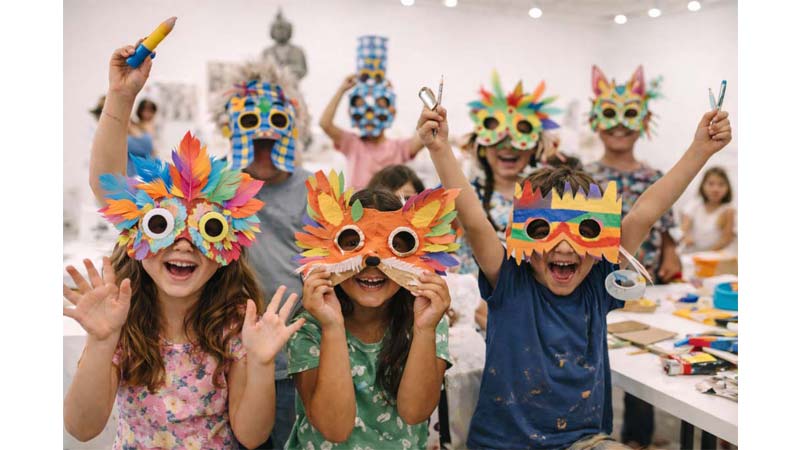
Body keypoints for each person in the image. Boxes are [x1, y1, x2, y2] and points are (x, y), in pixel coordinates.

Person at [417, 97, 731, 449]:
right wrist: (439, 148)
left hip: (583, 442)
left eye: (585, 232)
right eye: (544, 231)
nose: (564, 248)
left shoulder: (598, 283)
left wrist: (700, 150)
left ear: (603, 243)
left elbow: (645, 212)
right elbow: (474, 220)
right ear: (521, 235)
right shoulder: (509, 280)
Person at [67, 46, 306, 446]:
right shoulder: (123, 324)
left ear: (226, 251)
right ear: (137, 235)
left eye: (205, 229)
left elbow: (251, 436)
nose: (183, 243)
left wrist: (262, 363)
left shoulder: (231, 329)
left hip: (270, 345)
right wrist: (101, 341)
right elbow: (81, 428)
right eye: (163, 225)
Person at [286, 172, 457, 448]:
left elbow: (415, 413)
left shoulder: (428, 321)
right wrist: (332, 327)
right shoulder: (309, 326)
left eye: (394, 248)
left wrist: (425, 329)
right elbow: (334, 429)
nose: (372, 261)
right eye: (354, 245)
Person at [582, 65, 680, 448]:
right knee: (597, 357)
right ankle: (594, 434)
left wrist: (671, 255)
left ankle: (638, 438)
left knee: (644, 355)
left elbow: (666, 228)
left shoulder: (654, 176)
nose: (619, 125)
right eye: (610, 114)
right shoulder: (585, 176)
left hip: (644, 286)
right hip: (592, 285)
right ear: (596, 121)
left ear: (644, 121)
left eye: (629, 115)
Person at [319, 36, 425, 189]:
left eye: (379, 106)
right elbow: (325, 124)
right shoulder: (353, 144)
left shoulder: (398, 148)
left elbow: (424, 137)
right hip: (358, 203)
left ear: (391, 112)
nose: (370, 115)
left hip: (389, 204)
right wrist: (342, 90)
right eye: (361, 107)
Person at [680, 166, 737, 253]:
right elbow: (684, 228)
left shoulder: (728, 211)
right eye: (711, 184)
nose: (715, 189)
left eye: (721, 184)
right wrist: (685, 236)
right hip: (692, 253)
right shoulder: (694, 205)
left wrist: (705, 254)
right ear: (703, 186)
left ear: (727, 188)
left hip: (715, 254)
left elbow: (726, 240)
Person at [125, 98, 157, 176]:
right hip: (131, 169)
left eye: (150, 111)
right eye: (145, 110)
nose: (147, 114)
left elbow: (153, 151)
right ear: (139, 111)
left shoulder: (152, 128)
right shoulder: (133, 126)